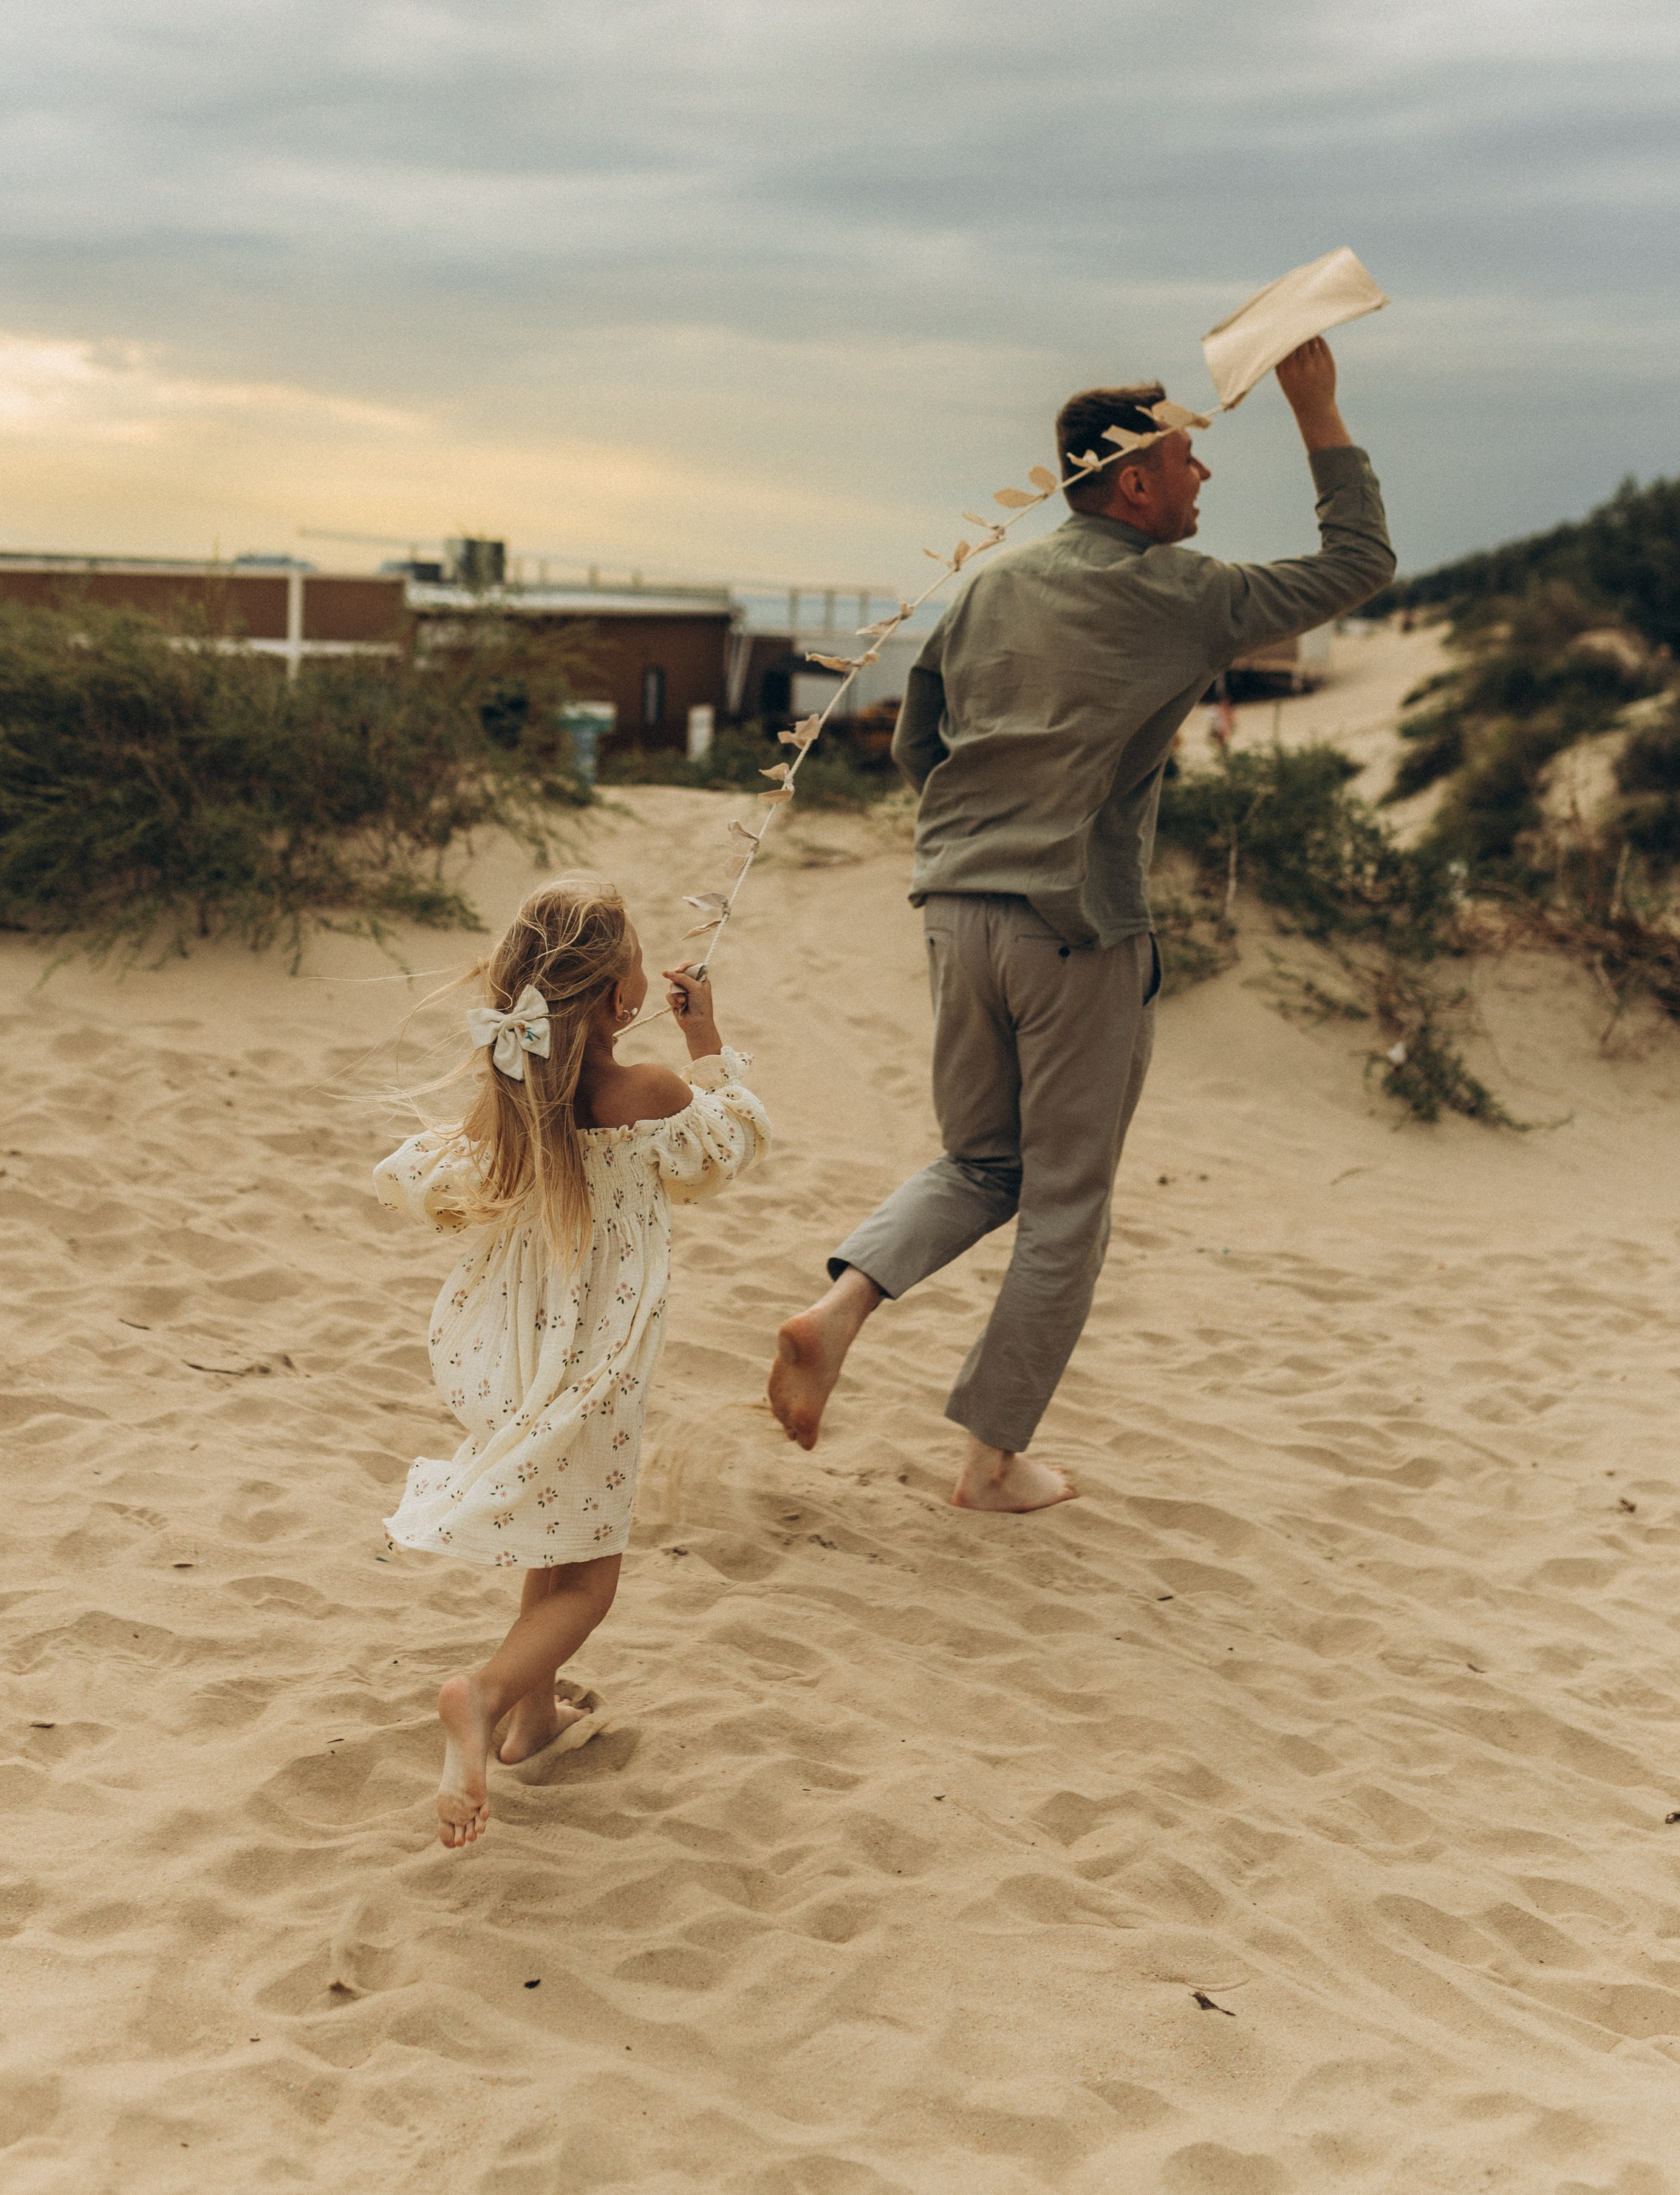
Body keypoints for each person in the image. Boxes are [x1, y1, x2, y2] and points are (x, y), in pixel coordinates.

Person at [766, 336, 1393, 1510]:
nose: (1204, 475)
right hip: (1075, 923)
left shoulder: (987, 585)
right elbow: (1359, 560)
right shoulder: (1185, 594)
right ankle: (991, 1464)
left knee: (979, 1162)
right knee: (1064, 1202)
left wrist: (983, 832)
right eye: (1189, 458)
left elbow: (914, 742)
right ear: (1135, 483)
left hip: (954, 909)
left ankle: (837, 1310)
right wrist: (1318, 407)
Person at [375, 873, 768, 1849]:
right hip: (599, 1359)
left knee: (558, 1534)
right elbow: (727, 1150)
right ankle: (484, 1694)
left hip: (522, 1347)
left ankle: (534, 1718)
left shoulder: (515, 1100)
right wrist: (708, 1042)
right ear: (619, 995)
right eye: (635, 964)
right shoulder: (649, 1092)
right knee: (590, 1581)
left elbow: (436, 1186)